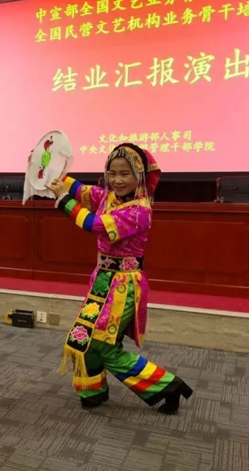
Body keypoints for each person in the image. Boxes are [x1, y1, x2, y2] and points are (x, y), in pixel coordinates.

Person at [47, 143, 193, 415]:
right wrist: (48, 168)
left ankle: (167, 386)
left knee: (102, 344)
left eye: (125, 174)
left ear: (139, 175)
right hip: (102, 279)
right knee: (84, 338)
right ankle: (92, 391)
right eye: (112, 173)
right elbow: (79, 188)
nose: (117, 180)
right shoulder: (108, 196)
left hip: (124, 285)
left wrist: (63, 200)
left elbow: (94, 225)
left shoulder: (139, 211)